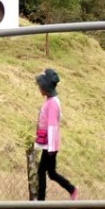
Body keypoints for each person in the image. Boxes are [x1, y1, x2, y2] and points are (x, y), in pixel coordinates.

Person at [34, 69, 78, 201]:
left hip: (50, 145)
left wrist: (51, 148)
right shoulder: (50, 101)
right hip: (49, 143)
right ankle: (72, 189)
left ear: (45, 87)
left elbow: (52, 125)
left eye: (40, 85)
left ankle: (41, 201)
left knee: (42, 172)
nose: (39, 88)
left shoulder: (52, 103)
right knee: (51, 173)